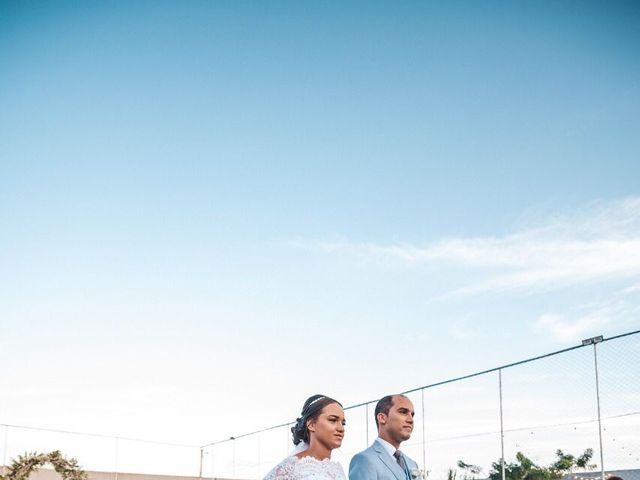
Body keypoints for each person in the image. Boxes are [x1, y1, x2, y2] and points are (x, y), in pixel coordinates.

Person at [263, 394, 347, 480]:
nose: (341, 428)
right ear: (311, 425)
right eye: (333, 420)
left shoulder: (338, 469)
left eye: (343, 423)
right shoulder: (293, 467)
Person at [349, 394, 421, 480]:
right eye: (403, 412)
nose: (410, 420)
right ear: (382, 418)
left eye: (412, 415)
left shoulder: (412, 464)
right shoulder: (363, 460)